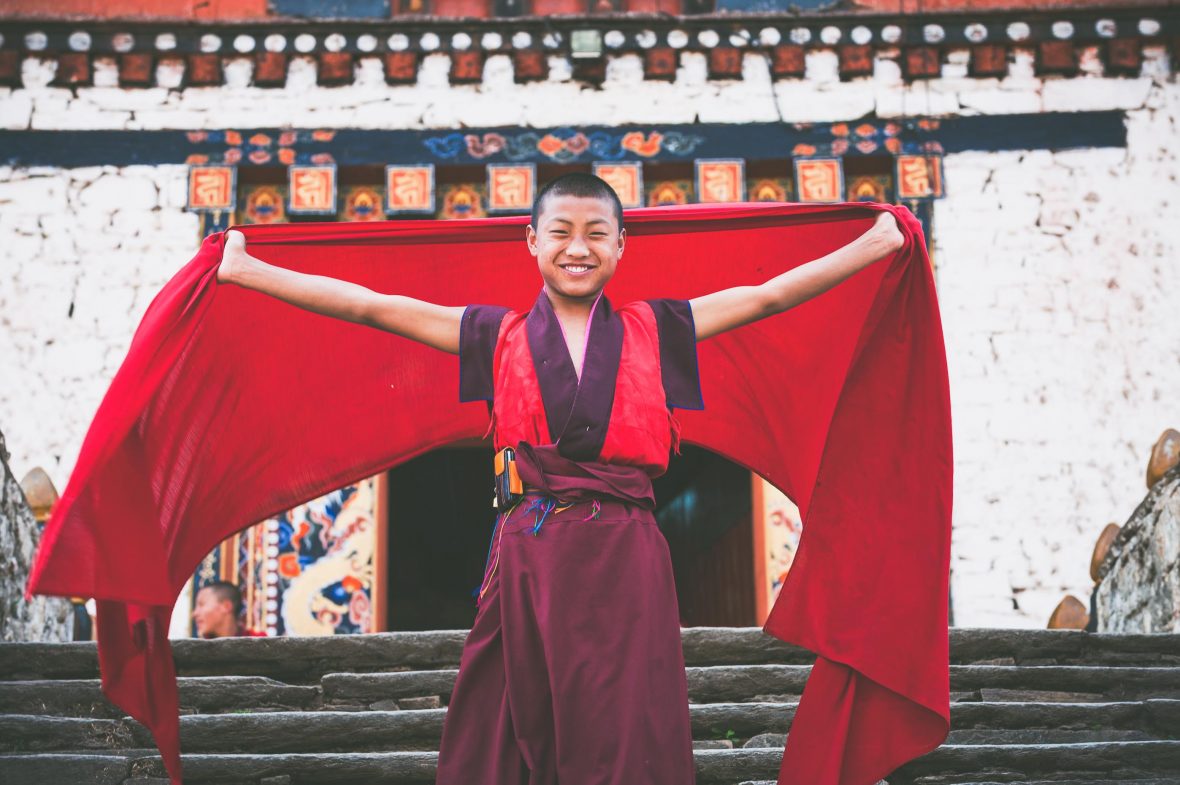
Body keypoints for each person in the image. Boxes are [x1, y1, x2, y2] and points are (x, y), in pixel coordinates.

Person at [215, 173, 904, 783]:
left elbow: (768, 295)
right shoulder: (496, 333)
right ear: (531, 240)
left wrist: (874, 246)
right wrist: (248, 271)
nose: (579, 248)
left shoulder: (657, 329)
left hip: (625, 549)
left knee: (624, 714)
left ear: (622, 245)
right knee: (511, 713)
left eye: (597, 233)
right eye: (561, 232)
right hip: (531, 549)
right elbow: (370, 305)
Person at [191, 580, 266, 639]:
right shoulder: (199, 651)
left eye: (201, 604)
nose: (194, 614)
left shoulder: (258, 643)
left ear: (226, 606)